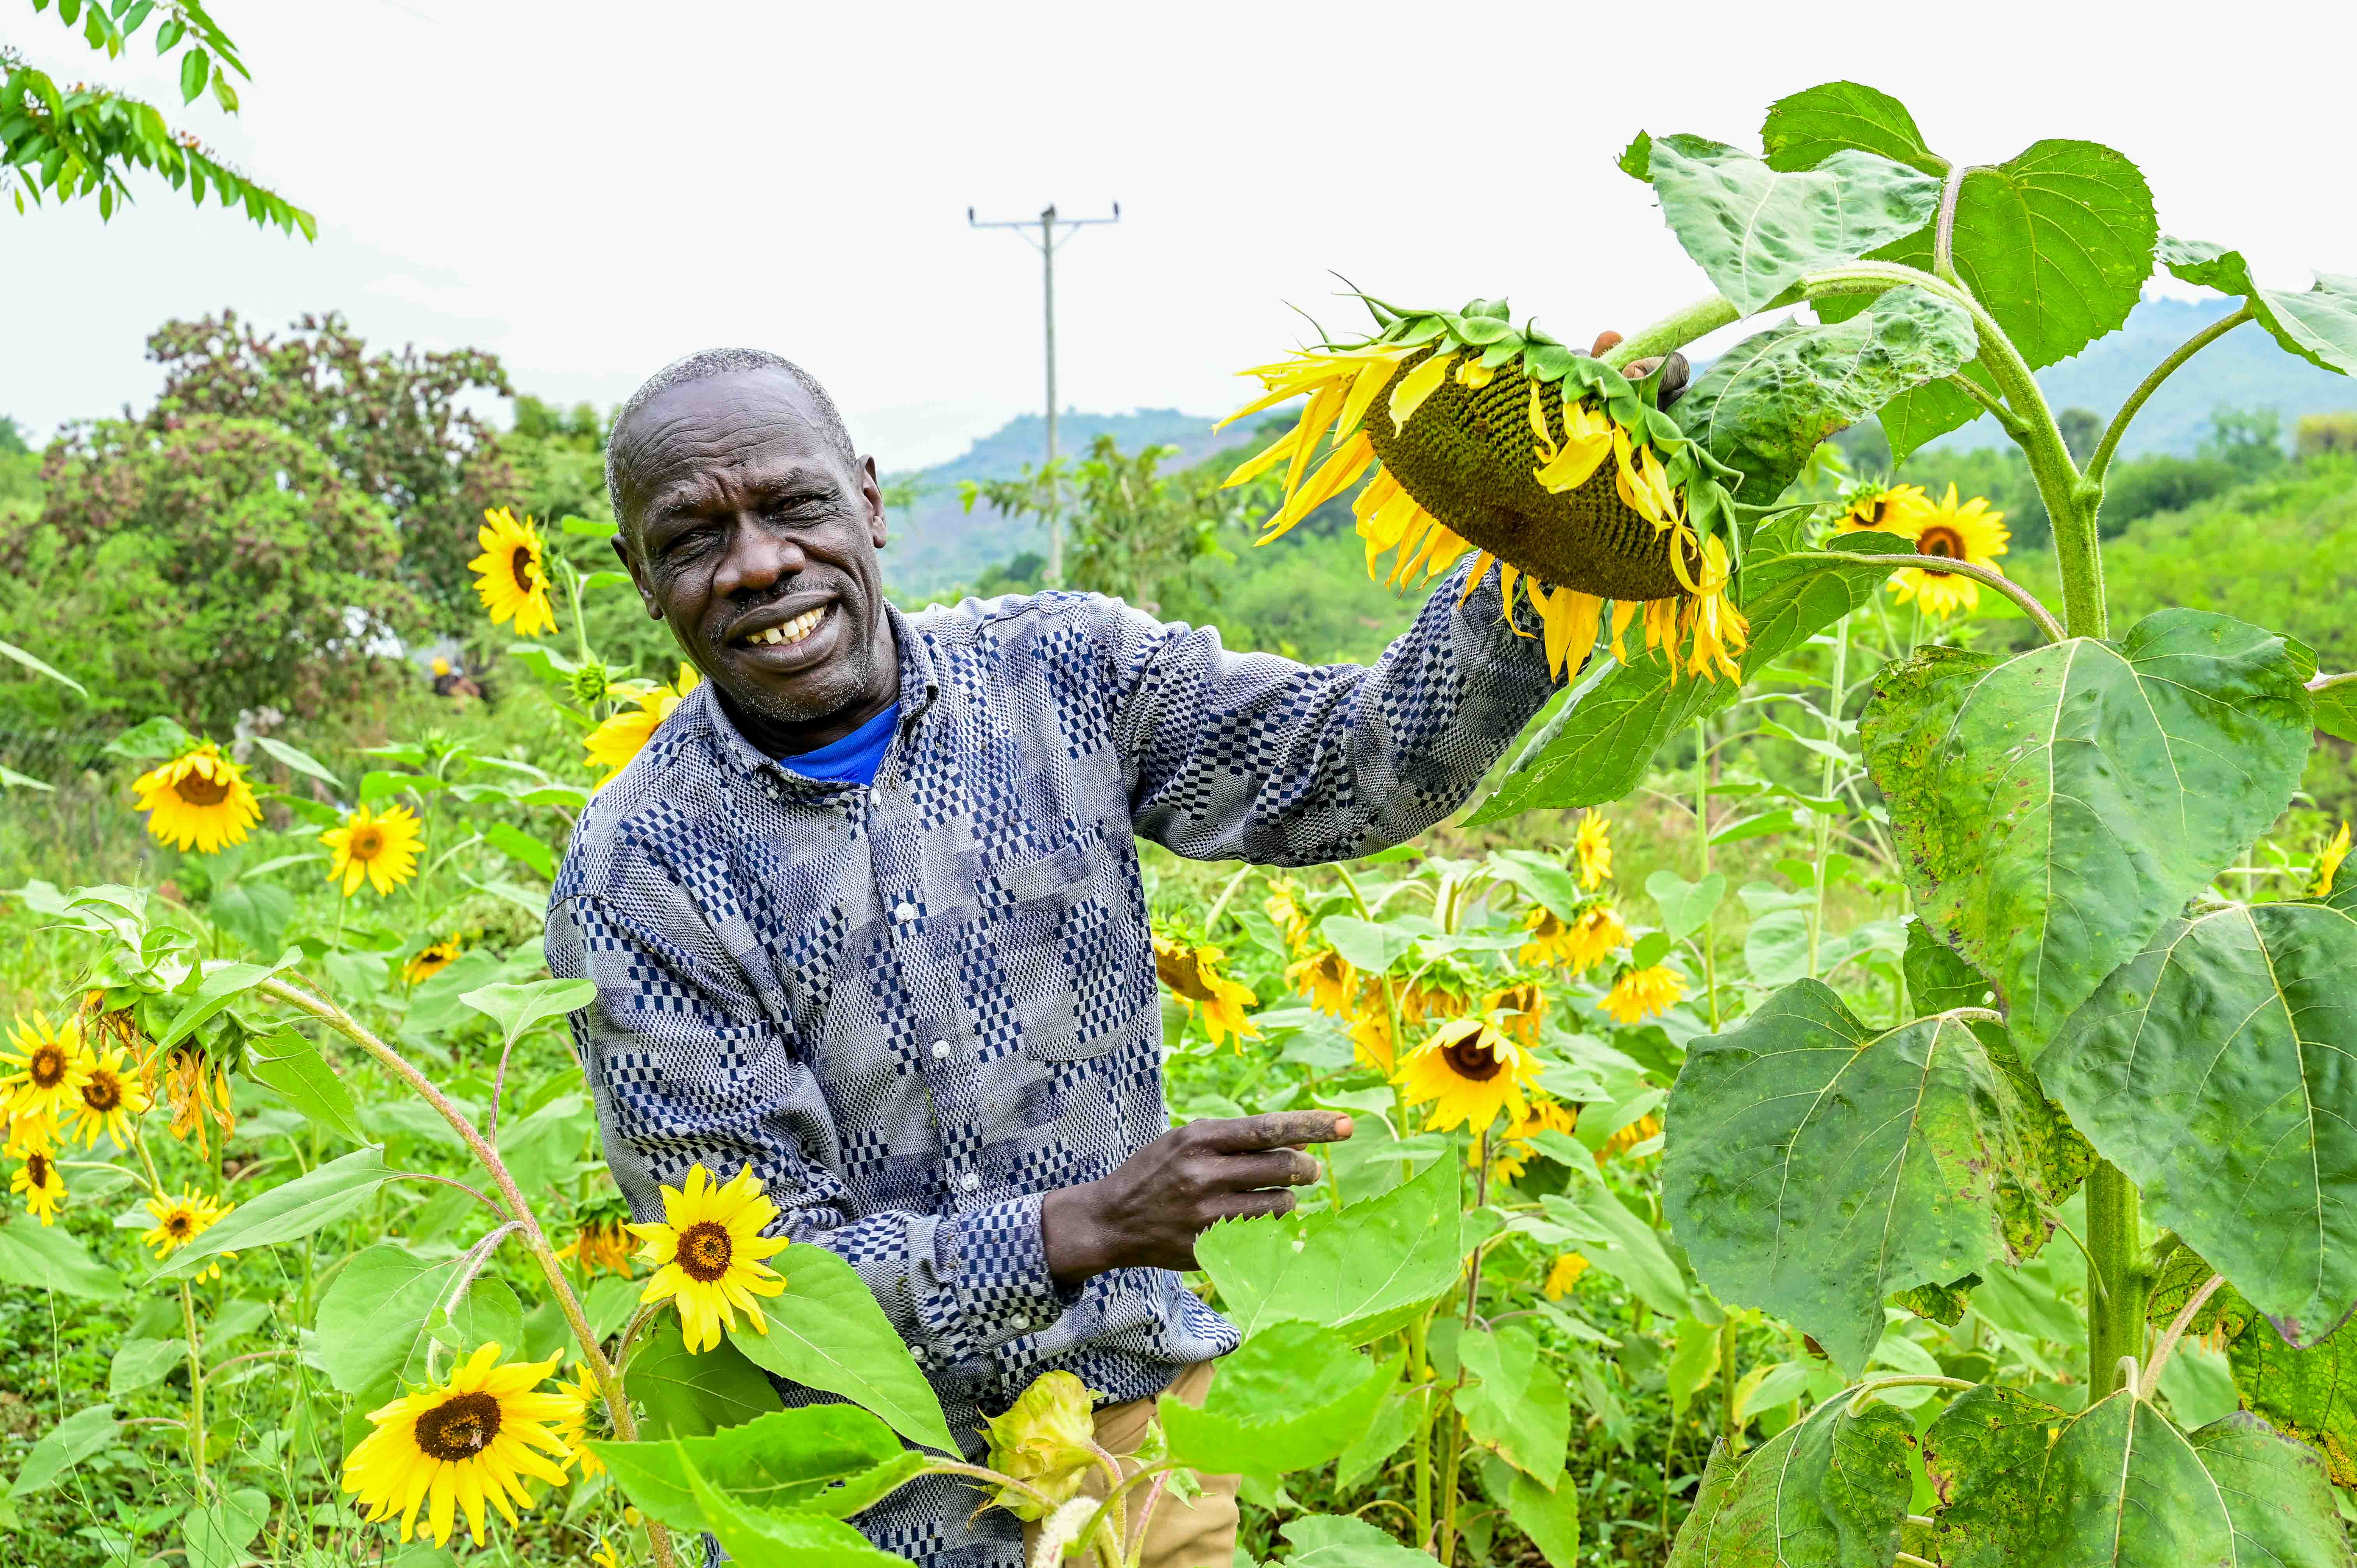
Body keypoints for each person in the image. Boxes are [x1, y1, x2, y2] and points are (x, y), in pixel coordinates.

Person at [548, 347, 1562, 1567]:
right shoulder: (638, 872)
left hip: (1134, 1449)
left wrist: (1542, 542)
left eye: (794, 505)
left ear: (867, 502)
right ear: (641, 580)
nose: (760, 562)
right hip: (859, 1497)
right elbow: (764, 1285)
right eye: (695, 535)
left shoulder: (1060, 676)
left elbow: (1347, 768)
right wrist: (1080, 1226)